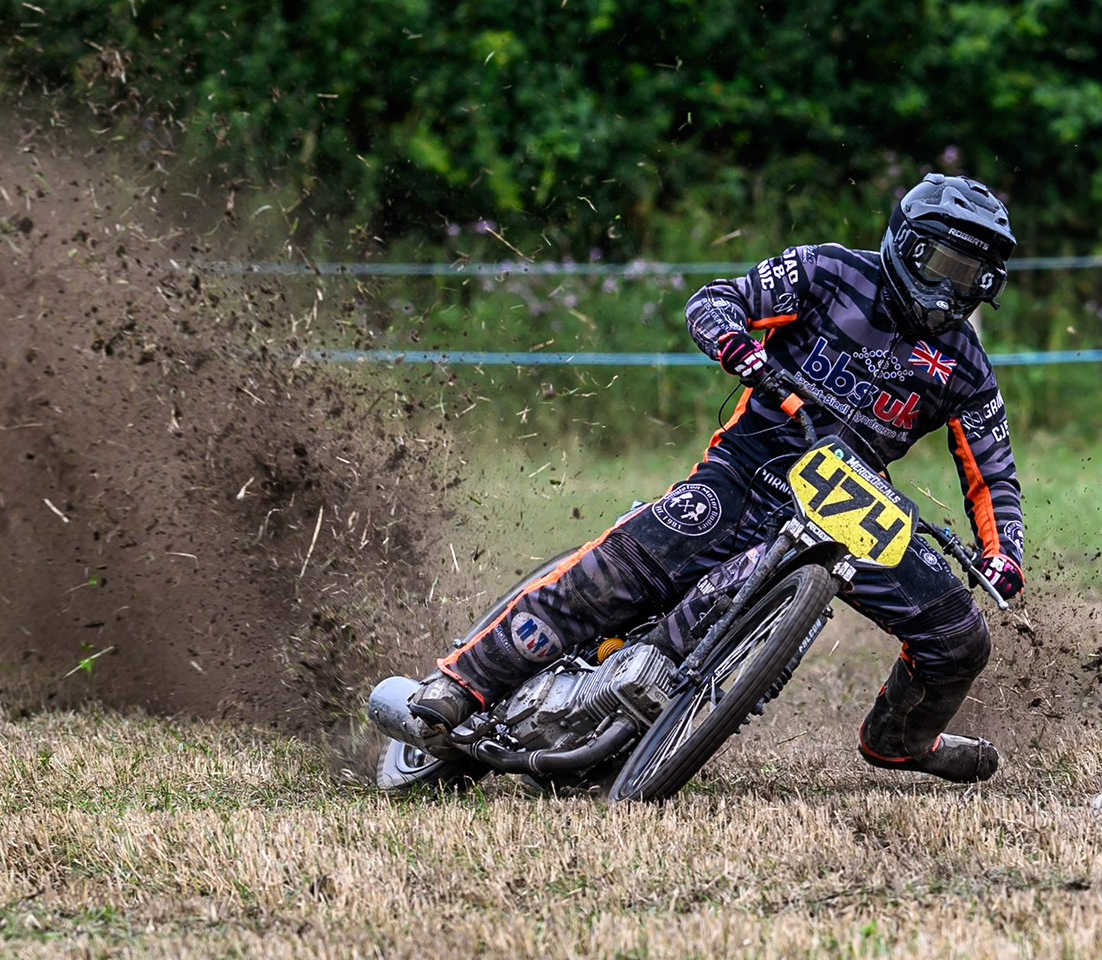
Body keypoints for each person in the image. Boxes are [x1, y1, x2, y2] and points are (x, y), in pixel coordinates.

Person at [390, 173, 1027, 782]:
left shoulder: (966, 367)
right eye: (946, 267)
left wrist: (1005, 556)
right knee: (621, 571)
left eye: (972, 277)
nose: (954, 290)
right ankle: (462, 679)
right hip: (748, 468)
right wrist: (736, 345)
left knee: (959, 639)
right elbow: (716, 300)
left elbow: (993, 472)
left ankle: (900, 742)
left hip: (849, 503)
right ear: (908, 244)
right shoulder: (827, 270)